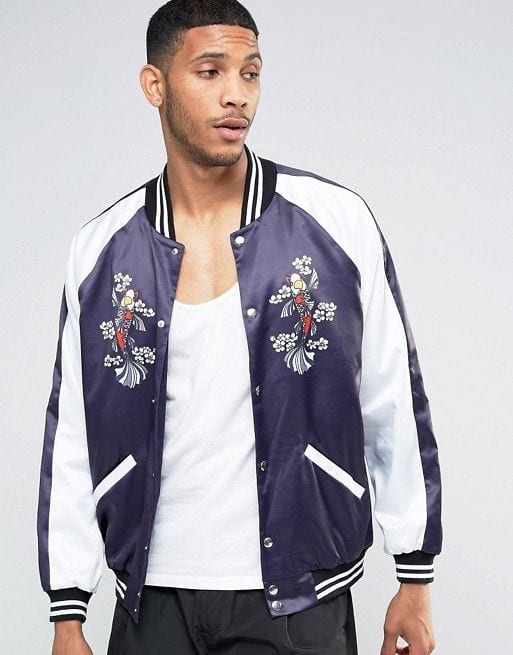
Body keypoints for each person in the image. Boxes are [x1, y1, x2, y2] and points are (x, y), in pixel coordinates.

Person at [36, 1, 442, 653]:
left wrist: (413, 573)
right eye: (210, 71)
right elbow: (75, 434)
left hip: (298, 598)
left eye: (250, 72)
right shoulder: (101, 250)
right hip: (149, 599)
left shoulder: (335, 223)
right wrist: (68, 610)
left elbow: (391, 398)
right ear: (155, 85)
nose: (237, 94)